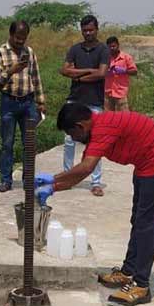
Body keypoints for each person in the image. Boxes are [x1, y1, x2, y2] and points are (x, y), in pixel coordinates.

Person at [35, 103, 154, 306]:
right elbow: (80, 174)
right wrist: (54, 187)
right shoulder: (96, 129)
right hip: (145, 161)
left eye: (71, 133)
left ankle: (141, 285)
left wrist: (51, 179)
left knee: (147, 224)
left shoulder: (102, 128)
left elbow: (86, 168)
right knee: (138, 218)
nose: (73, 139)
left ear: (80, 126)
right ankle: (128, 271)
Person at [0, 20, 47, 193]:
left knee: (29, 143)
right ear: (11, 34)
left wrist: (41, 101)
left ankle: (28, 180)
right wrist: (10, 70)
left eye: (24, 37)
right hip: (9, 102)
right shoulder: (0, 52)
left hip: (28, 102)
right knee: (7, 143)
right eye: (18, 37)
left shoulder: (29, 52)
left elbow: (36, 77)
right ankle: (6, 180)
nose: (21, 41)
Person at [60, 15, 110, 197]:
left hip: (94, 101)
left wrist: (78, 76)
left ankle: (95, 182)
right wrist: (88, 71)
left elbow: (102, 74)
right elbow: (64, 70)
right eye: (85, 30)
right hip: (75, 99)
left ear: (97, 29)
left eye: (91, 29)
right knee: (68, 141)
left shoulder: (103, 49)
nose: (88, 33)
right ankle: (67, 178)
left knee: (95, 142)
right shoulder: (75, 49)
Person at [104, 36, 138, 112]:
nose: (112, 48)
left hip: (121, 92)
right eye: (109, 47)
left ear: (118, 45)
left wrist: (125, 71)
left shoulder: (126, 57)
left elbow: (134, 71)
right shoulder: (105, 58)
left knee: (124, 117)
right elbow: (100, 70)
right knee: (108, 116)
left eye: (113, 46)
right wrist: (107, 72)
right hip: (108, 92)